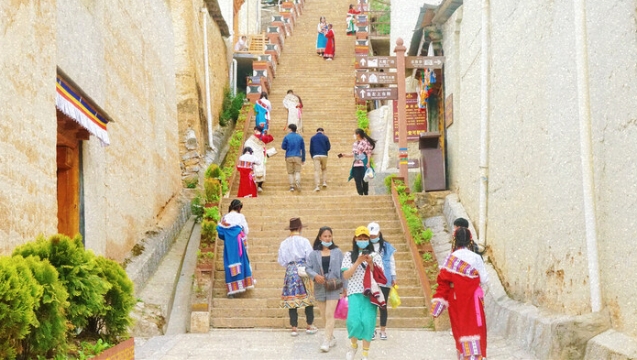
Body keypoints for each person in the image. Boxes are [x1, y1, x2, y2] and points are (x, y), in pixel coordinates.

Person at [431, 227, 489, 360]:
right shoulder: (476, 257)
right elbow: (485, 279)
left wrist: (436, 308)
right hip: (474, 302)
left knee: (461, 330)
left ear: (455, 240)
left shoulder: (450, 259)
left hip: (457, 301)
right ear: (470, 240)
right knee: (476, 330)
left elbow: (443, 283)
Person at [342, 226, 383, 360]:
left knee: (368, 321)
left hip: (370, 294)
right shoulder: (349, 255)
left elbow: (380, 276)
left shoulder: (375, 256)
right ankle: (353, 345)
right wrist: (357, 262)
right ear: (355, 239)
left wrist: (371, 264)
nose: (363, 241)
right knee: (353, 321)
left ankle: (365, 354)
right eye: (360, 238)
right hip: (354, 292)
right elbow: (346, 275)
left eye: (365, 238)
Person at [306, 226, 344, 352]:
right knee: (323, 315)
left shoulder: (337, 252)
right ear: (320, 237)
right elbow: (308, 268)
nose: (327, 238)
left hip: (333, 286)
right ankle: (331, 336)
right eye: (325, 236)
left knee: (329, 314)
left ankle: (326, 340)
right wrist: (315, 276)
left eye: (329, 236)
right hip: (320, 287)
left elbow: (343, 270)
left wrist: (345, 288)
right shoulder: (313, 253)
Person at [278, 217, 317, 337]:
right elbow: (310, 257)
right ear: (300, 228)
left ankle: (294, 327)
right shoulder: (304, 241)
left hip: (290, 271)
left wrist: (290, 266)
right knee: (308, 297)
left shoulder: (284, 243)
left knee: (292, 299)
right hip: (303, 269)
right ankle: (309, 325)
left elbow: (281, 260)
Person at [216, 200, 255, 298]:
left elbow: (220, 233)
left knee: (229, 263)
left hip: (229, 245)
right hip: (238, 243)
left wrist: (229, 236)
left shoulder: (225, 217)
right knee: (242, 262)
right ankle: (244, 284)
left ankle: (231, 291)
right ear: (238, 208)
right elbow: (246, 230)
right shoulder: (240, 216)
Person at [367, 222, 396, 340]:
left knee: (383, 305)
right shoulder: (365, 247)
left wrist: (394, 276)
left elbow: (392, 261)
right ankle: (372, 329)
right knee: (371, 305)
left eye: (374, 235)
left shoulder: (387, 246)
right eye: (371, 236)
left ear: (379, 233)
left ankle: (383, 330)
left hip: (385, 278)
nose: (373, 237)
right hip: (370, 279)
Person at [339, 128, 376, 195]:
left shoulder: (365, 143)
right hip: (356, 164)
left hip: (363, 164)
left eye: (355, 134)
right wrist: (344, 155)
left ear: (358, 134)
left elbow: (368, 153)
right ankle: (360, 194)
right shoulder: (355, 144)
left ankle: (365, 193)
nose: (354, 135)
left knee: (364, 179)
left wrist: (368, 162)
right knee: (357, 180)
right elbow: (354, 154)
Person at [244, 126, 274, 192]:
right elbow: (271, 138)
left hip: (253, 156)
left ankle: (252, 185)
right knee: (261, 169)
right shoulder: (263, 137)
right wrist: (267, 134)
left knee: (253, 170)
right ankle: (260, 186)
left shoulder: (251, 138)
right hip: (261, 156)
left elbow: (246, 145)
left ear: (255, 130)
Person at [281, 124, 306, 192]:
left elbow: (283, 147)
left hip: (289, 156)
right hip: (297, 156)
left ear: (290, 129)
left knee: (290, 172)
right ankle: (297, 182)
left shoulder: (286, 137)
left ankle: (292, 186)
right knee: (297, 171)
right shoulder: (300, 137)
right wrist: (303, 158)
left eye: (288, 129)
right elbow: (303, 149)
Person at [309, 128, 331, 192]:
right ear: (323, 132)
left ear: (317, 132)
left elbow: (311, 148)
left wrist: (312, 155)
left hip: (315, 155)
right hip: (324, 155)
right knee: (324, 169)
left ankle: (317, 186)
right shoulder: (325, 137)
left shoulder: (313, 138)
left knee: (316, 170)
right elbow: (329, 147)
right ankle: (324, 182)